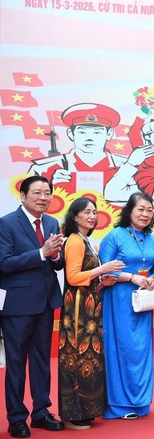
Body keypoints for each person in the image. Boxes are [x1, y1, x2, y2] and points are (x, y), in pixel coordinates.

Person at [0, 176, 65, 438]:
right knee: (16, 363)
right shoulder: (6, 223)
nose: (43, 197)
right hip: (17, 304)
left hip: (46, 302)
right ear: (23, 196)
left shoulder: (51, 222)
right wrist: (41, 252)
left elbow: (56, 264)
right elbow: (4, 263)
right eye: (37, 192)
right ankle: (16, 417)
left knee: (41, 361)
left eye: (47, 193)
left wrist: (57, 255)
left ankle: (41, 411)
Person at [58, 197, 123, 429]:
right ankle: (72, 414)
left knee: (90, 358)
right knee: (76, 358)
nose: (92, 216)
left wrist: (103, 279)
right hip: (77, 310)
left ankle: (86, 410)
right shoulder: (75, 241)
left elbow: (86, 275)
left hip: (89, 307)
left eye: (94, 212)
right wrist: (104, 267)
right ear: (75, 216)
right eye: (87, 212)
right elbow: (73, 277)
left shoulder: (85, 240)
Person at [99, 191, 154, 419]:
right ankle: (118, 405)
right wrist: (131, 277)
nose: (145, 214)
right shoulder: (114, 236)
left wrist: (153, 278)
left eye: (149, 210)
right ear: (129, 211)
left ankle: (141, 402)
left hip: (143, 302)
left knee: (141, 350)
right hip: (119, 301)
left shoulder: (153, 238)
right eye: (140, 209)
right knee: (121, 348)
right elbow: (104, 268)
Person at [30, 104, 126, 198]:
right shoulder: (42, 169)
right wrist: (50, 189)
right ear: (70, 134)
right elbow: (26, 203)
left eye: (97, 132)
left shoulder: (125, 168)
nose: (89, 138)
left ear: (109, 134)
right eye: (82, 132)